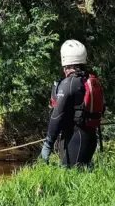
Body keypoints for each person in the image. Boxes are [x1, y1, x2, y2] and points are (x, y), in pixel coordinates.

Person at [41, 40, 106, 168]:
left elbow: (57, 115)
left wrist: (48, 143)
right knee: (82, 173)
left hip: (76, 138)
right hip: (89, 137)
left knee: (70, 174)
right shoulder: (89, 79)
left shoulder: (70, 83)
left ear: (65, 60)